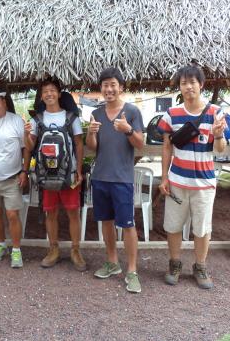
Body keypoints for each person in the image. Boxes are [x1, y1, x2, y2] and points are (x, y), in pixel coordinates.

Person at [157, 65, 227, 289]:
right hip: (177, 181)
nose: (188, 87)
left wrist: (218, 135)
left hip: (204, 184)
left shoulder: (216, 113)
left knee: (202, 228)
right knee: (173, 226)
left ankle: (200, 266)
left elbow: (220, 149)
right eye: (183, 83)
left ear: (201, 84)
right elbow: (167, 148)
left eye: (192, 82)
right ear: (179, 87)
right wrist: (164, 178)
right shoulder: (172, 114)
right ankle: (174, 264)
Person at [86, 67, 145, 293]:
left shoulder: (131, 111)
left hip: (122, 178)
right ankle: (112, 263)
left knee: (127, 224)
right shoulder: (97, 114)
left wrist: (128, 130)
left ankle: (132, 270)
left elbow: (140, 144)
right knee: (106, 222)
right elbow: (94, 148)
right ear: (101, 88)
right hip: (100, 176)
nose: (109, 89)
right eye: (105, 85)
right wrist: (91, 133)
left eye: (113, 85)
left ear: (121, 87)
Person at [24, 77, 86, 271]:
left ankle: (76, 250)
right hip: (46, 173)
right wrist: (27, 135)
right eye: (45, 92)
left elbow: (78, 143)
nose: (49, 94)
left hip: (69, 172)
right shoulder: (36, 120)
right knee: (50, 212)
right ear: (41, 97)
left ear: (59, 94)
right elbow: (30, 147)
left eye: (52, 90)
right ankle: (53, 249)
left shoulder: (71, 117)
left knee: (73, 212)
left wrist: (79, 170)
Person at [0, 84, 30, 268]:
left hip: (12, 177)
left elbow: (26, 148)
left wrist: (24, 170)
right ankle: (0, 245)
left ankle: (16, 250)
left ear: (3, 102)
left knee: (12, 214)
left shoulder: (16, 121)